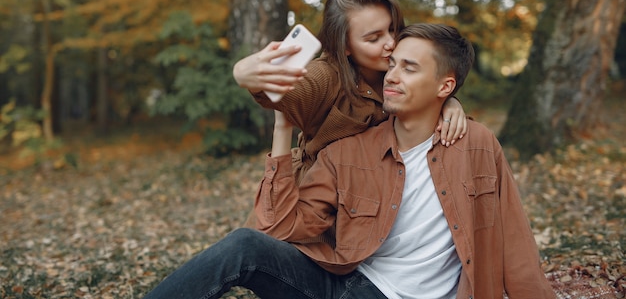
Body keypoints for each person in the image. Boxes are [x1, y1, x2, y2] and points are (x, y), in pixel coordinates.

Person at [142, 24, 556, 299]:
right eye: (392, 64)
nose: (391, 76)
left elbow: (514, 242)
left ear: (445, 86)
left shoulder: (476, 143)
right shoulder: (350, 151)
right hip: (349, 286)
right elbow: (281, 228)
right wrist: (282, 130)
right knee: (244, 245)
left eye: (409, 68)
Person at [233, 0, 468, 188]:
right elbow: (291, 90)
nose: (391, 42)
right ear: (344, 45)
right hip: (312, 213)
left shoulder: (400, 71)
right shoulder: (327, 76)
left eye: (393, 29)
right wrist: (244, 74)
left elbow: (432, 81)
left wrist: (446, 102)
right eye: (374, 38)